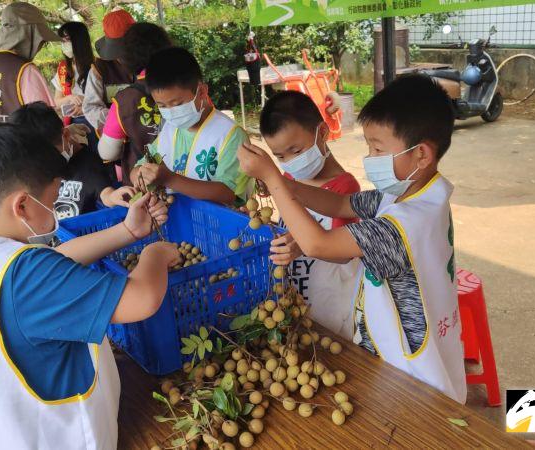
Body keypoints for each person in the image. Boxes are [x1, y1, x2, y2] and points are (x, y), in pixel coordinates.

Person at [237, 74, 467, 404]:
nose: (369, 158)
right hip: (403, 355)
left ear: (422, 155)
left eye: (378, 148)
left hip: (412, 377)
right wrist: (284, 183)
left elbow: (318, 244)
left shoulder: (402, 226)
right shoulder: (408, 196)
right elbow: (340, 203)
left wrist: (272, 176)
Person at [0, 124, 180, 448]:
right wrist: (154, 254)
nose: (54, 213)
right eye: (52, 202)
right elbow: (143, 298)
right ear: (22, 206)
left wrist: (128, 232)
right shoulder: (26, 278)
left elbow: (52, 260)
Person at [259, 91, 361, 340]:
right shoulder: (288, 180)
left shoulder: (345, 190)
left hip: (332, 311)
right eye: (280, 156)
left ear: (323, 133)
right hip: (295, 302)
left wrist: (302, 246)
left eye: (295, 150)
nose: (290, 162)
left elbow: (344, 255)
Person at [136, 47, 252, 206]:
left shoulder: (230, 135)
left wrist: (170, 179)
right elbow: (138, 169)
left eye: (178, 104)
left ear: (202, 91)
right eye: (162, 105)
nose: (171, 112)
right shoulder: (170, 129)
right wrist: (141, 175)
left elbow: (230, 193)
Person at [10, 102, 132, 217]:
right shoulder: (33, 169)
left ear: (66, 135)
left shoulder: (89, 164)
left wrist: (113, 196)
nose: (45, 165)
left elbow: (105, 193)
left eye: (50, 156)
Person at [98, 22, 171, 187]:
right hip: (187, 178)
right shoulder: (182, 84)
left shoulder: (125, 99)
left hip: (144, 186)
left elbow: (107, 152)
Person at [0, 2, 60, 124]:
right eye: (41, 41)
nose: (40, 46)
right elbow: (45, 124)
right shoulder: (25, 70)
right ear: (30, 36)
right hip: (26, 141)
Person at [82, 9, 135, 133]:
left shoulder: (150, 62)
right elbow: (90, 107)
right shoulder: (100, 69)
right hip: (115, 136)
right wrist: (120, 117)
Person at [53, 22, 93, 130]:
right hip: (72, 122)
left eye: (67, 40)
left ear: (79, 41)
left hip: (95, 121)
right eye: (62, 41)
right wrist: (70, 97)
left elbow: (108, 99)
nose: (64, 44)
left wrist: (85, 105)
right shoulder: (63, 68)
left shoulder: (97, 67)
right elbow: (56, 102)